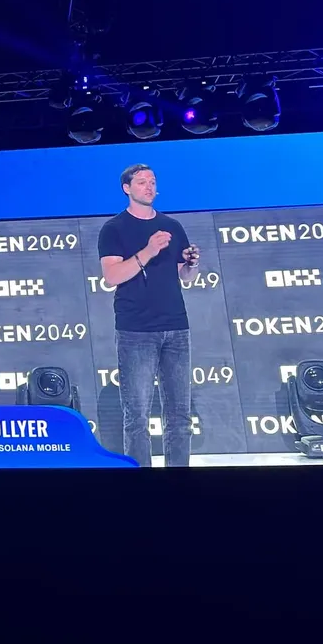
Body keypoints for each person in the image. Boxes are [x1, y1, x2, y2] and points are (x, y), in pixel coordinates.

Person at [97, 164, 200, 467]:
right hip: (136, 331)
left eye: (152, 181)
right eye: (142, 182)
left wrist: (192, 264)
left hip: (176, 328)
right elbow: (112, 276)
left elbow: (185, 276)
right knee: (137, 416)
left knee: (180, 416)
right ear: (127, 188)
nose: (149, 187)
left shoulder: (172, 226)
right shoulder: (114, 229)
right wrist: (148, 251)